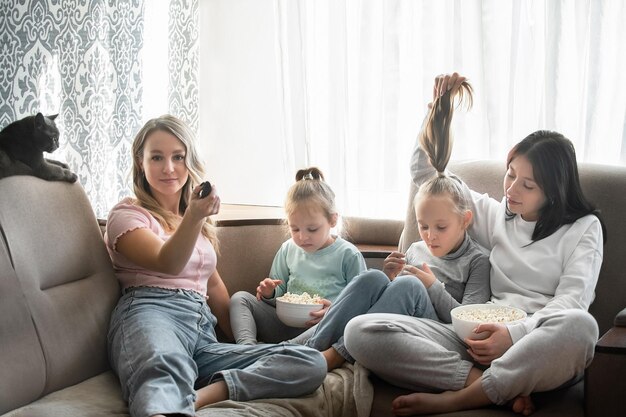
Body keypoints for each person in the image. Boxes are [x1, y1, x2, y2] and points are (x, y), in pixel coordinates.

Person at [343, 73, 605, 416]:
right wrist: (438, 111)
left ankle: (459, 398)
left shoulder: (585, 228)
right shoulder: (498, 216)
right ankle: (479, 381)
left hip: (535, 344)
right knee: (360, 330)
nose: (511, 191)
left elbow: (572, 301)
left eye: (528, 185)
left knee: (582, 327)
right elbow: (427, 175)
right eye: (510, 174)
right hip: (474, 339)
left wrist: (512, 335)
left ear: (554, 190)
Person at [105, 115, 326, 417]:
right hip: (151, 311)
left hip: (202, 334)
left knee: (308, 362)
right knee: (161, 367)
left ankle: (202, 395)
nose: (169, 168)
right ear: (140, 162)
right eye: (156, 157)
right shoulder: (128, 214)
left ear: (190, 162)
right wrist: (195, 217)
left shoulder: (196, 224)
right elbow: (166, 262)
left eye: (178, 157)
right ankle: (168, 406)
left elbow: (214, 287)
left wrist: (243, 347)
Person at [301, 81, 490, 371]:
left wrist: (433, 286)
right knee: (371, 279)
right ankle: (305, 351)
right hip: (398, 325)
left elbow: (470, 322)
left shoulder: (477, 261)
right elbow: (392, 305)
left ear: (465, 221)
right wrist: (388, 277)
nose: (429, 236)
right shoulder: (416, 249)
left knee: (411, 286)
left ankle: (337, 354)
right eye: (423, 226)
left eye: (440, 227)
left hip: (439, 336)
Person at [229, 167, 367, 345]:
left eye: (312, 229)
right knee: (240, 299)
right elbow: (278, 295)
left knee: (340, 324)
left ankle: (285, 351)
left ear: (332, 220)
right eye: (295, 229)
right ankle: (247, 349)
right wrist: (269, 292)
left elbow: (360, 303)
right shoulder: (288, 249)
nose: (302, 237)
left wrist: (333, 311)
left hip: (322, 329)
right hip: (284, 326)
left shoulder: (348, 255)